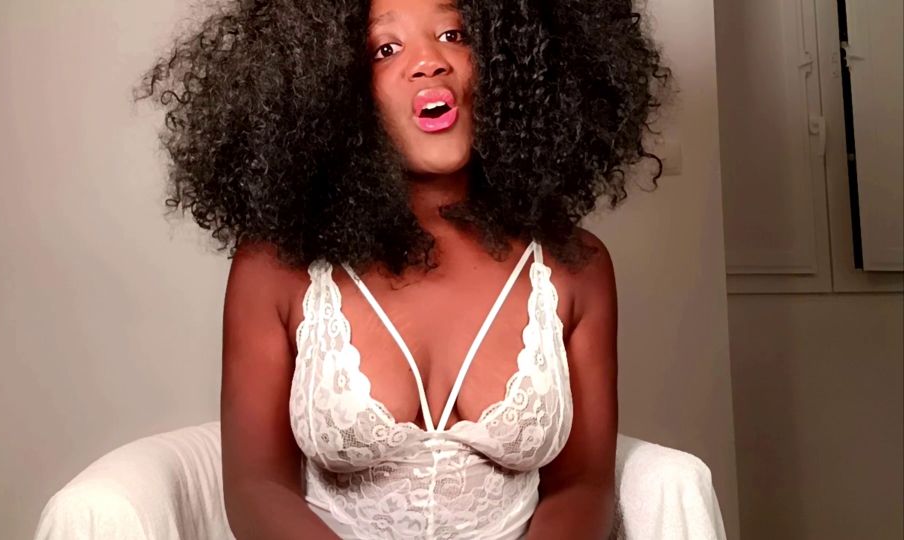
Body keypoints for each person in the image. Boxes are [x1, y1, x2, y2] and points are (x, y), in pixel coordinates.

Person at [137, 0, 670, 537]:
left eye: (454, 34)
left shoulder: (574, 266)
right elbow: (258, 488)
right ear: (331, 83)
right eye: (386, 48)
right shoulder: (274, 269)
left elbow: (583, 485)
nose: (429, 61)